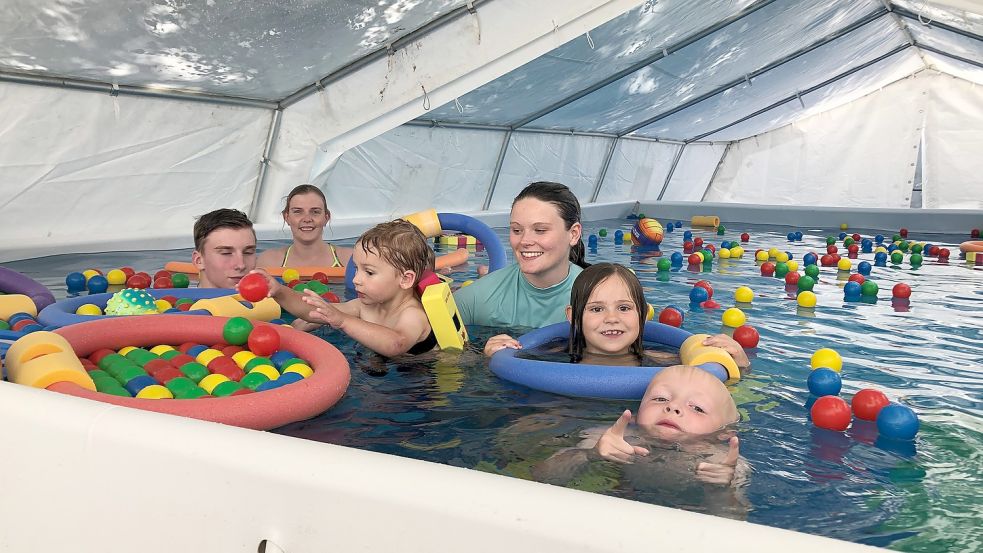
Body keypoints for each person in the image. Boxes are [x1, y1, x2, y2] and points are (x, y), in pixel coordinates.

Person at [484, 262, 751, 369]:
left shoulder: (667, 362)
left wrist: (738, 363)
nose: (612, 318)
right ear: (573, 317)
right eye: (596, 309)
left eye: (624, 308)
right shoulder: (548, 357)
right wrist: (495, 354)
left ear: (642, 316)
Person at [534, 365, 748, 491]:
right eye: (660, 398)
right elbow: (541, 477)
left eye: (698, 408)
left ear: (724, 433)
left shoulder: (724, 464)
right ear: (635, 416)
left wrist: (721, 489)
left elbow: (733, 519)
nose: (672, 406)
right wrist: (590, 455)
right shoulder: (609, 438)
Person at [245, 219, 436, 357]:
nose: (356, 279)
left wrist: (343, 321)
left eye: (369, 272)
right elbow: (314, 311)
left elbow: (397, 343)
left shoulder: (412, 314)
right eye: (357, 268)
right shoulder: (364, 306)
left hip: (422, 376)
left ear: (405, 279)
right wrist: (279, 290)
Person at [456, 181, 588, 341]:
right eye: (517, 230)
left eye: (540, 230)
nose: (525, 240)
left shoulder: (601, 296)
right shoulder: (476, 299)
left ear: (573, 234)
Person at [256, 184, 353, 270]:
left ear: (326, 217)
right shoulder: (269, 262)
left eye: (315, 212)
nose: (307, 219)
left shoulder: (349, 259)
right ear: (287, 217)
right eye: (298, 212)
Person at [192, 208, 257, 289]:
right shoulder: (176, 299)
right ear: (199, 261)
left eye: (248, 252)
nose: (241, 265)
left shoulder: (274, 295)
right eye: (226, 253)